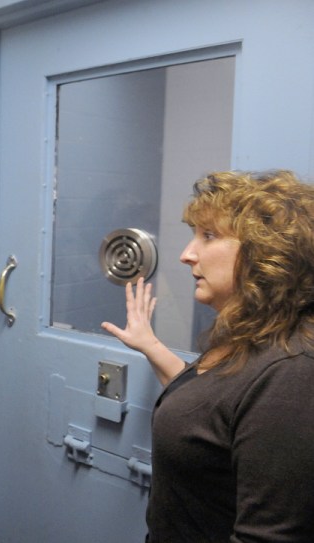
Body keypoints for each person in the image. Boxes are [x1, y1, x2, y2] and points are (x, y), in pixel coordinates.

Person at [101, 170, 314, 541]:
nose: (186, 255)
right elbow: (213, 410)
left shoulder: (291, 373)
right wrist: (150, 345)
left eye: (209, 235)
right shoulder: (248, 335)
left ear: (265, 252)